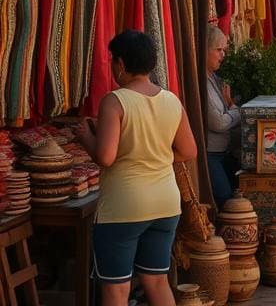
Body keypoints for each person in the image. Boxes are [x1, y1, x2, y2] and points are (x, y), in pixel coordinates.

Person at [76, 30, 197, 306]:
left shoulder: (115, 100)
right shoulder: (171, 100)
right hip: (166, 203)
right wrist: (154, 155)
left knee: (117, 290)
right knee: (156, 281)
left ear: (120, 64)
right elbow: (188, 151)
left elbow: (105, 157)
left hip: (124, 206)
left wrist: (85, 138)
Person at [204, 25, 241, 209]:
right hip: (210, 154)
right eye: (218, 50)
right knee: (226, 199)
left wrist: (230, 110)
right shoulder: (202, 83)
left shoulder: (214, 79)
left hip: (222, 152)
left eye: (224, 50)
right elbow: (218, 122)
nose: (223, 55)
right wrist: (236, 110)